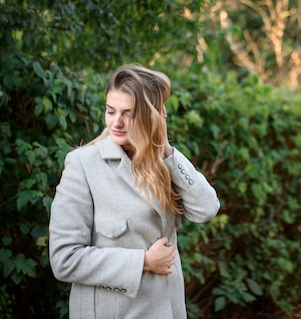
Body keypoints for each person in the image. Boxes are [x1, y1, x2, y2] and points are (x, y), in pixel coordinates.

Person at [49, 64, 220, 319]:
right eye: (110, 111)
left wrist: (165, 149)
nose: (116, 122)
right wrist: (143, 262)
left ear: (149, 116)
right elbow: (64, 259)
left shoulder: (161, 163)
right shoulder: (83, 165)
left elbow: (206, 209)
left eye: (128, 114)